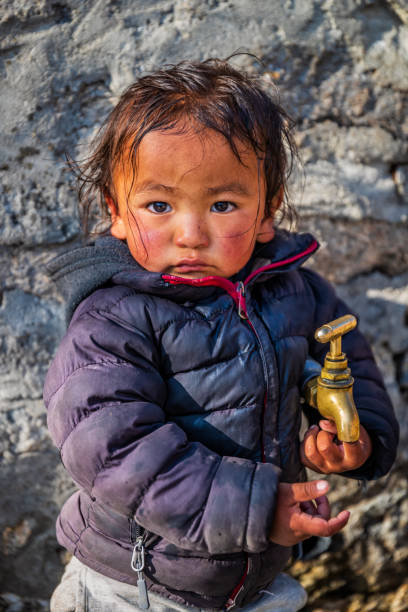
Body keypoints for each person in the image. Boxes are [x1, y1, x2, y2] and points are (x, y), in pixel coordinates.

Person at [44, 58, 399, 612]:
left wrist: (353, 436)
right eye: (158, 205)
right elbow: (113, 450)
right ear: (116, 211)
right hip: (135, 588)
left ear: (266, 211)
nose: (189, 234)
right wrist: (258, 509)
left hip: (253, 586)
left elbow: (348, 363)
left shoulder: (294, 293)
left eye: (222, 204)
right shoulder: (114, 319)